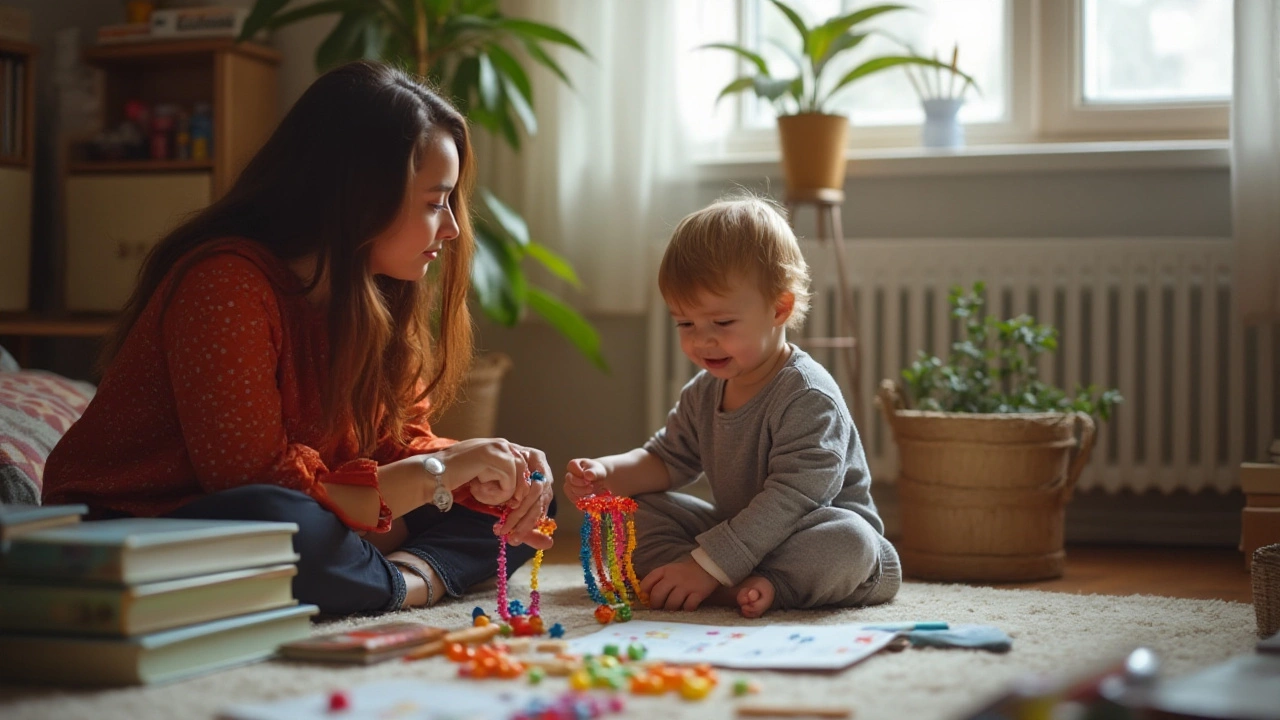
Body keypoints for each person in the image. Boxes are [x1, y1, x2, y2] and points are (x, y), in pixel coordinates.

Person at [42, 61, 555, 616]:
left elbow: (396, 445)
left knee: (509, 506)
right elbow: (252, 482)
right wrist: (438, 475)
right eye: (435, 203)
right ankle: (389, 572)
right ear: (361, 197)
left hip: (307, 509)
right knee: (289, 522)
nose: (452, 228)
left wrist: (491, 467)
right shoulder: (224, 283)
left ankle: (400, 575)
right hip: (143, 525)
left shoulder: (375, 295)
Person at [565, 197, 899, 618]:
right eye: (685, 323)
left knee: (852, 541)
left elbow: (791, 500)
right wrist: (609, 474)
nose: (702, 341)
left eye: (721, 323)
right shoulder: (704, 391)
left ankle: (770, 584)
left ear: (780, 308)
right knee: (630, 514)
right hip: (739, 534)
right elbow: (667, 459)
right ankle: (727, 584)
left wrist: (708, 565)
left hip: (809, 534)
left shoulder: (808, 396)